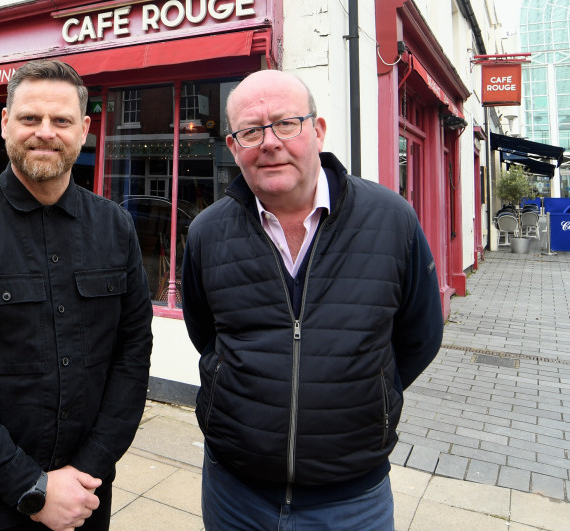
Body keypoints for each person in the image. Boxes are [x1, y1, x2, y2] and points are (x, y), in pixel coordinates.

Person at [181, 69, 443, 530]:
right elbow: (207, 334)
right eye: (250, 130)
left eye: (286, 123)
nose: (269, 142)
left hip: (351, 500)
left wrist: (370, 391)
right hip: (235, 495)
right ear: (233, 146)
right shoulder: (207, 232)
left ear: (317, 131)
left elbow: (419, 336)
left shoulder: (392, 220)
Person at [0, 60, 153, 531]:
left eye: (61, 121)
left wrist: (87, 469)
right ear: (4, 124)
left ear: (84, 130)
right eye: (30, 118)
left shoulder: (115, 228)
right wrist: (31, 488)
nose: (45, 133)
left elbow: (132, 358)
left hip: (83, 502)